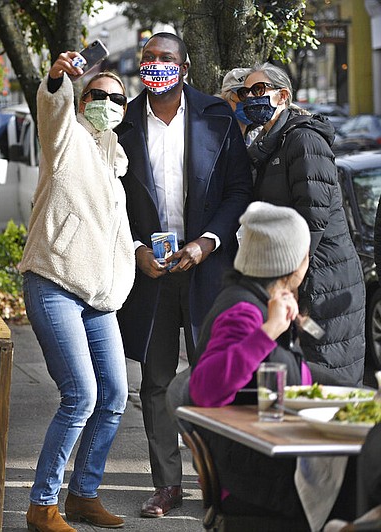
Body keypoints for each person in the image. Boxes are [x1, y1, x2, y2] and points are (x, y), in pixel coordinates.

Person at [114, 32, 253, 518]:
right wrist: (134, 250)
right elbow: (110, 200)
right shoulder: (123, 122)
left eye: (166, 59)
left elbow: (239, 191)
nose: (156, 65)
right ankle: (167, 485)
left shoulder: (217, 117)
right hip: (150, 273)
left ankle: (221, 485)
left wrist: (205, 243)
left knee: (214, 380)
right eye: (148, 58)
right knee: (153, 383)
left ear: (185, 67)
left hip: (206, 270)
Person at [18, 51, 135, 531]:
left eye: (115, 99)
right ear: (82, 99)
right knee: (81, 395)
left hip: (98, 294)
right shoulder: (67, 137)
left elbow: (112, 232)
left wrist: (135, 259)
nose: (105, 103)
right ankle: (42, 504)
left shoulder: (114, 161)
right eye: (97, 95)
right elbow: (51, 108)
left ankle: (83, 495)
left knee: (115, 395)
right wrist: (56, 80)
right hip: (54, 281)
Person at [242, 63, 365, 386]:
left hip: (322, 280)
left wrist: (291, 280)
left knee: (328, 375)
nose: (250, 98)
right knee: (297, 378)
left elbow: (313, 216)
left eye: (259, 90)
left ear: (283, 95)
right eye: (245, 93)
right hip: (294, 279)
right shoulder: (269, 144)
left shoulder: (303, 140)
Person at [188, 201, 312, 520]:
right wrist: (270, 330)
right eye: (305, 254)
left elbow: (285, 373)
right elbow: (205, 388)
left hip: (264, 461)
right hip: (253, 477)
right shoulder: (245, 311)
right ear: (290, 264)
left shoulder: (261, 300)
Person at [218, 67, 260, 145]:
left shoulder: (260, 134)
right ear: (226, 97)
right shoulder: (212, 131)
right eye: (243, 93)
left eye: (255, 93)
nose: (249, 99)